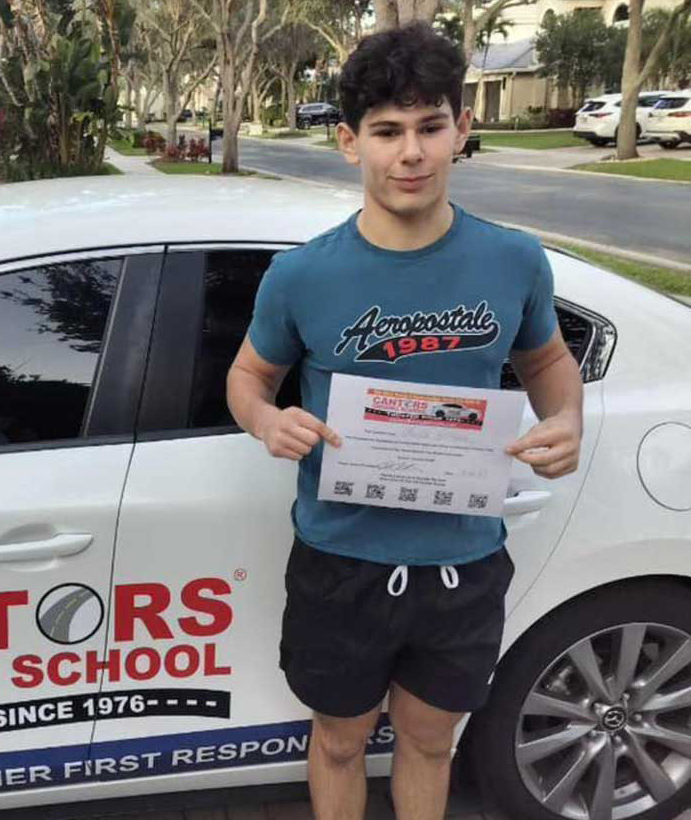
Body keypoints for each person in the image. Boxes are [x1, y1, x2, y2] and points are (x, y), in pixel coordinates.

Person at [225, 22, 584, 820]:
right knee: (340, 741)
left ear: (462, 129)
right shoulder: (302, 276)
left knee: (428, 744)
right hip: (340, 562)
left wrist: (567, 418)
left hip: (462, 564)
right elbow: (248, 377)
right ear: (350, 142)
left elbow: (548, 362)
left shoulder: (513, 260)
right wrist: (265, 421)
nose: (412, 153)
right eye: (387, 131)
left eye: (431, 126)